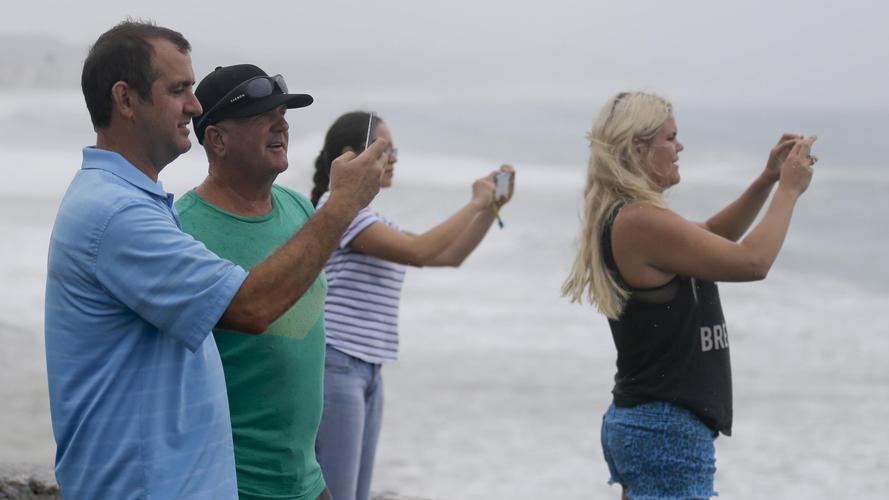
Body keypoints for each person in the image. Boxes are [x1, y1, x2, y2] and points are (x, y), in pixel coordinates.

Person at [44, 22, 386, 499]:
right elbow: (250, 307)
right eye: (179, 89)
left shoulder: (137, 203)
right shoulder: (118, 214)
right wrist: (343, 206)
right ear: (125, 99)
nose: (195, 105)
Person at [561, 91, 817, 499]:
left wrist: (768, 178)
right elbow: (753, 262)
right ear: (638, 148)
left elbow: (715, 235)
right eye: (670, 138)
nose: (680, 147)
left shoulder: (633, 217)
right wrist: (789, 190)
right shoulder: (639, 220)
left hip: (651, 424)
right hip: (665, 429)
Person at [310, 111, 515, 500]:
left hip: (368, 368)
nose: (395, 158)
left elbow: (448, 255)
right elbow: (421, 251)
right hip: (336, 365)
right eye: (387, 149)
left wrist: (490, 209)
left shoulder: (368, 217)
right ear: (352, 155)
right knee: (338, 494)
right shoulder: (339, 210)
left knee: (356, 492)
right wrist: (474, 203)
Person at [175, 63, 339, 500]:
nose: (281, 123)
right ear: (217, 139)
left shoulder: (298, 208)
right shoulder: (182, 231)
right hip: (234, 482)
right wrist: (345, 203)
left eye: (283, 113)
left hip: (307, 479)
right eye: (261, 116)